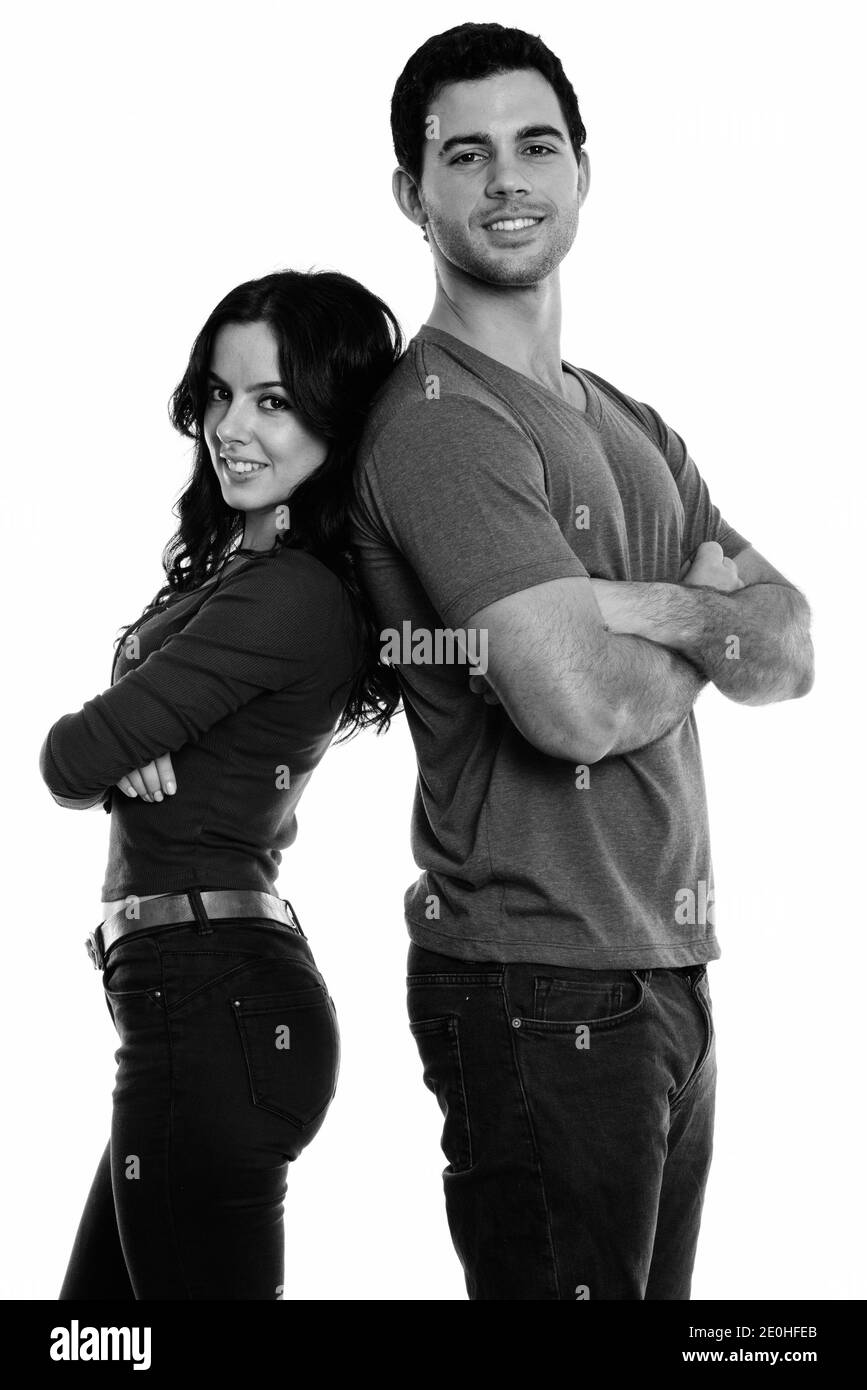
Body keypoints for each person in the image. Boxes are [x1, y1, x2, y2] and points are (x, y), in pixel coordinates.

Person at [348, 22, 814, 1300]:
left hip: (664, 980)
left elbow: (790, 649)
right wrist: (696, 615)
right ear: (413, 193)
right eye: (467, 153)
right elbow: (567, 704)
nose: (508, 178)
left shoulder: (630, 420)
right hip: (534, 989)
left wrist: (631, 608)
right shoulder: (442, 430)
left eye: (536, 145)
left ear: (582, 174)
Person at [39, 268, 402, 1300]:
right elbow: (99, 756)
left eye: (275, 401)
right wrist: (133, 738)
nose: (232, 427)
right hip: (193, 1004)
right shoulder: (242, 573)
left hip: (215, 1007)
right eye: (220, 393)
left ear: (334, 416)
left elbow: (68, 757)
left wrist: (124, 741)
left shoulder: (289, 595)